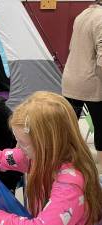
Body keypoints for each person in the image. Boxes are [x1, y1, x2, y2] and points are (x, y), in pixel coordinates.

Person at [0, 91, 102, 225]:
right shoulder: (32, 156)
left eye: (23, 143)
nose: (17, 148)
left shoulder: (70, 184)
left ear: (48, 144)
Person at [62, 0, 102, 169]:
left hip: (71, 80)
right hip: (91, 83)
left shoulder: (81, 15)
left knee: (67, 129)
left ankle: (65, 166)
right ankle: (100, 169)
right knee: (101, 127)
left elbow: (72, 47)